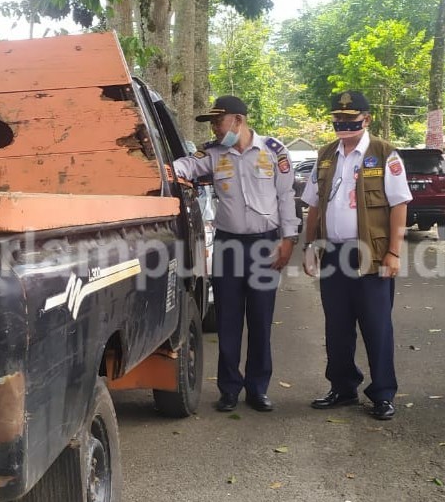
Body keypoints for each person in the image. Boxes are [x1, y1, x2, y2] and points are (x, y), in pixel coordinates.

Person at [171, 96, 299, 412]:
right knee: (227, 320)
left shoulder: (274, 150)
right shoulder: (213, 154)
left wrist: (289, 240)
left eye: (219, 121)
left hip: (265, 245)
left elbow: (286, 197)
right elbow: (187, 164)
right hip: (228, 245)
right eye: (213, 124)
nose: (215, 128)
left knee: (260, 319)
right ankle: (229, 389)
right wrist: (169, 169)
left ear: (238, 121)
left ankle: (257, 389)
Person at [299, 91, 411, 420]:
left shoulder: (384, 154)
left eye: (351, 121)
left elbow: (399, 205)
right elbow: (315, 206)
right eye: (338, 121)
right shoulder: (325, 156)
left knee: (377, 327)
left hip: (370, 254)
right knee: (337, 326)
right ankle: (343, 387)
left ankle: (383, 394)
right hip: (332, 253)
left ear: (367, 119)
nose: (343, 126)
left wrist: (393, 252)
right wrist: (310, 247)